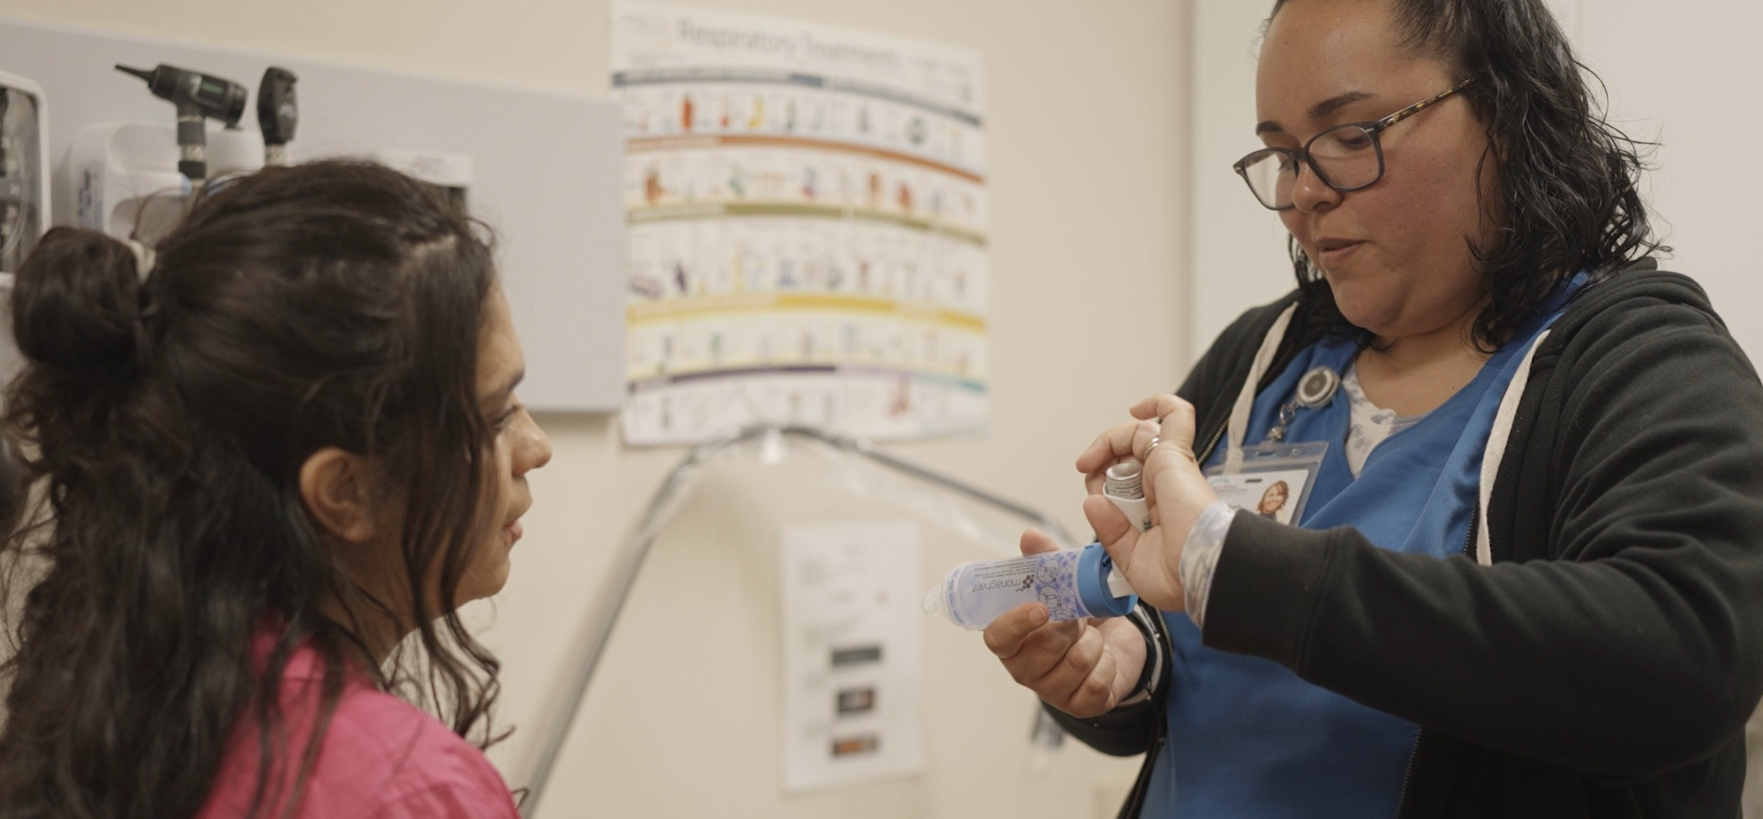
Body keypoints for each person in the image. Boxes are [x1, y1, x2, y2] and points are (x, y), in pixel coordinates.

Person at [981, 0, 1763, 816]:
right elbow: (1197, 673)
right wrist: (1124, 671)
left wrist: (1238, 567)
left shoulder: (1639, 356)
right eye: (1281, 154)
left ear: (1507, 112)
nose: (1300, 195)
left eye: (1352, 136)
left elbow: (1679, 667)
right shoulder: (1261, 357)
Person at [0, 162, 554, 819]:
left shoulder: (110, 703)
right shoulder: (406, 792)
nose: (536, 447)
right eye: (494, 415)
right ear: (347, 490)